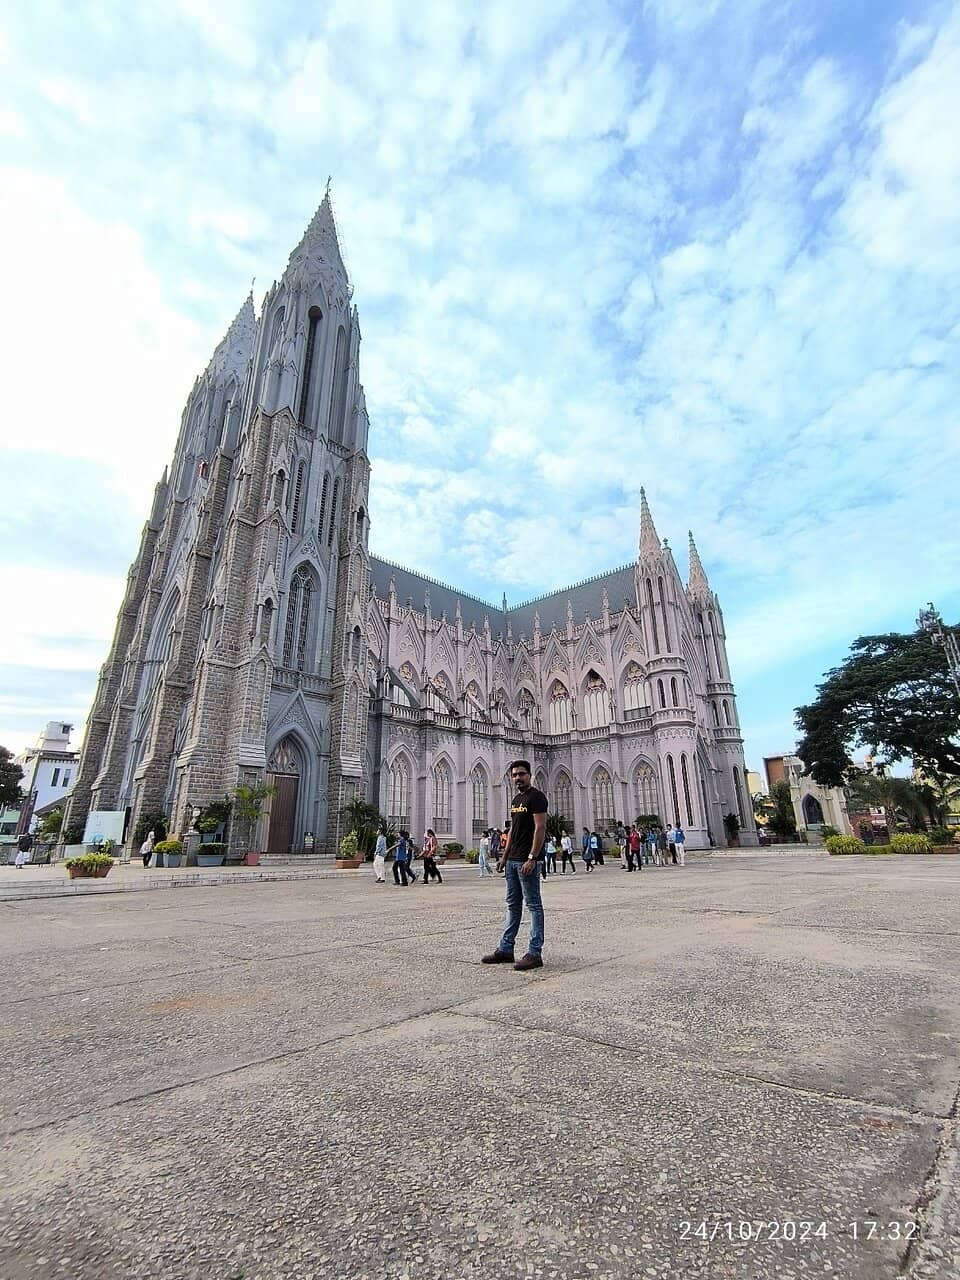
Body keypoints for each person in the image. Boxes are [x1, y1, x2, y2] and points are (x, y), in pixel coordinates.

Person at [482, 760, 547, 971]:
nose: (518, 778)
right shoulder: (517, 799)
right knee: (512, 905)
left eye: (521, 774)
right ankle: (506, 949)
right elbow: (512, 832)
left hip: (526, 861)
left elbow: (540, 829)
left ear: (530, 775)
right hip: (512, 861)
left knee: (534, 906)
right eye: (514, 775)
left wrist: (532, 858)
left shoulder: (537, 797)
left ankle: (535, 953)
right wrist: (504, 856)